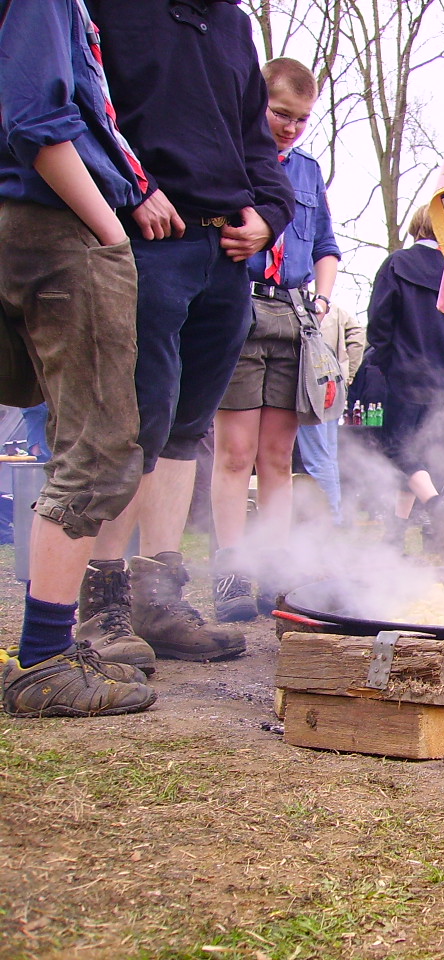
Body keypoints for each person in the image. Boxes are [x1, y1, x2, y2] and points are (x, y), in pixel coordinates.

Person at [78, 0, 295, 663]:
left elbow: (255, 142)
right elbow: (82, 108)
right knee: (132, 421)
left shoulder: (233, 24)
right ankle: (102, 607)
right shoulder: (110, 9)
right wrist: (131, 188)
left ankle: (158, 600)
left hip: (224, 253)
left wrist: (271, 214)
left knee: (184, 428)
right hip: (143, 239)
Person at [0, 0, 156, 716]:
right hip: (55, 222)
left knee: (71, 437)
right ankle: (44, 661)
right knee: (95, 444)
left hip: (28, 220)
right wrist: (109, 233)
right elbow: (37, 117)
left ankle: (45, 650)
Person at [210, 57, 340, 622]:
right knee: (235, 452)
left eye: (302, 119)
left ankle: (274, 569)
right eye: (281, 113)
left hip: (293, 317)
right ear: (256, 103)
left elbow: (326, 246)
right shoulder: (229, 156)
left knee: (278, 456)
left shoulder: (308, 171)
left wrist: (322, 299)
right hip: (238, 310)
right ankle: (232, 572)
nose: (291, 127)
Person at [366, 205, 444, 554]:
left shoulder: (396, 264)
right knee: (421, 455)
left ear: (416, 228)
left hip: (402, 374)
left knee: (396, 449)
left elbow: (379, 324)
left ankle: (437, 508)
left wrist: (384, 361)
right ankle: (394, 536)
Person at [295, 301, 365, 524]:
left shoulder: (303, 306)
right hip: (334, 385)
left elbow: (358, 337)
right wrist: (347, 374)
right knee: (328, 458)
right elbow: (358, 337)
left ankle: (331, 518)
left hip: (311, 386)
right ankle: (336, 515)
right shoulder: (336, 310)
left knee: (317, 458)